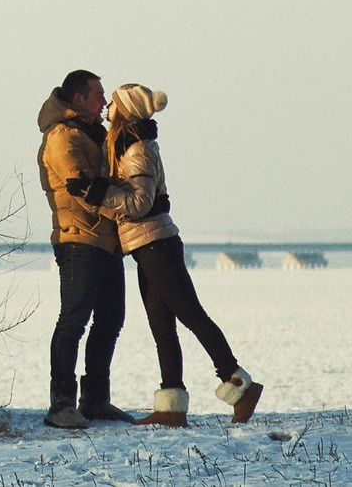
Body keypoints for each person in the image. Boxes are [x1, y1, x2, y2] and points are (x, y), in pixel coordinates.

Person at [97, 83, 264, 427]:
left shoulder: (137, 150)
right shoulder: (125, 145)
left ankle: (238, 383)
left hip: (157, 245)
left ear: (126, 110)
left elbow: (141, 203)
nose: (107, 107)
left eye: (113, 102)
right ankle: (171, 406)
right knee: (162, 327)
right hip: (146, 246)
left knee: (190, 314)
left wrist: (99, 192)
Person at [36, 69, 130, 429]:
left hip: (106, 241)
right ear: (78, 99)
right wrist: (131, 205)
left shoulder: (93, 134)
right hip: (78, 239)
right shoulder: (62, 137)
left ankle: (95, 400)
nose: (104, 102)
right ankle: (61, 403)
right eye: (98, 96)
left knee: (110, 319)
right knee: (73, 319)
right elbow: (82, 189)